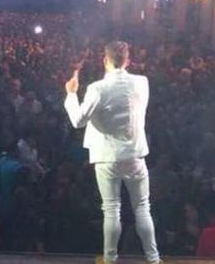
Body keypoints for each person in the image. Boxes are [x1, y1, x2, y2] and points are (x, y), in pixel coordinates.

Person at [64, 41, 160, 264]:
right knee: (142, 207)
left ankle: (110, 259)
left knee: (111, 209)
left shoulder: (97, 88)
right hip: (135, 154)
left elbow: (78, 121)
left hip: (107, 157)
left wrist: (71, 94)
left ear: (105, 60)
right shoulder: (142, 83)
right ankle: (153, 259)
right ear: (128, 60)